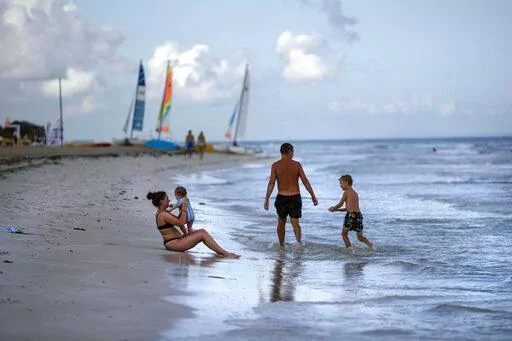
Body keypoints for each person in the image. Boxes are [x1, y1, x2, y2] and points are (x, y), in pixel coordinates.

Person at [147, 190, 240, 258]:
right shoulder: (162, 215)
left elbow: (179, 221)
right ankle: (225, 253)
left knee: (202, 231)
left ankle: (222, 252)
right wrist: (183, 208)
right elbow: (180, 222)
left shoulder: (164, 213)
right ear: (161, 201)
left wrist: (183, 210)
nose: (169, 200)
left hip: (176, 241)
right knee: (202, 234)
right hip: (173, 243)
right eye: (167, 199)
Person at [264, 142, 318, 247]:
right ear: (289, 151)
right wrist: (313, 196)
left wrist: (267, 199)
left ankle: (281, 245)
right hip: (295, 197)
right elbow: (305, 181)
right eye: (292, 151)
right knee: (295, 223)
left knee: (281, 222)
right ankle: (298, 244)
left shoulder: (275, 165)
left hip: (282, 198)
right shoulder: (297, 165)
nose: (293, 153)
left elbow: (271, 183)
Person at [328, 174, 373, 249]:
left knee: (344, 234)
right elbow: (348, 208)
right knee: (360, 237)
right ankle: (369, 244)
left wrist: (334, 208)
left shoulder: (346, 192)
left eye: (341, 183)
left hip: (351, 215)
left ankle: (349, 249)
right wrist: (336, 210)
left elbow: (340, 204)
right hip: (358, 215)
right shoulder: (355, 193)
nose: (340, 186)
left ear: (346, 182)